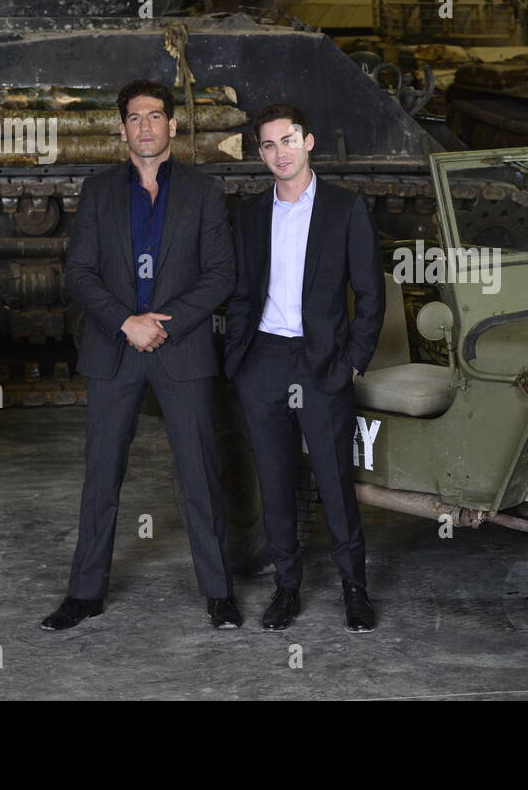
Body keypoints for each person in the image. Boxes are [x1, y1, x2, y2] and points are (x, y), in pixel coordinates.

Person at [41, 78, 240, 632]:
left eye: (155, 116)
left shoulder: (203, 191)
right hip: (114, 348)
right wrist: (126, 321)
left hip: (182, 349)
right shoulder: (100, 190)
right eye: (135, 117)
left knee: (198, 473)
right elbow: (79, 271)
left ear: (172, 126)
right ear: (123, 127)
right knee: (102, 475)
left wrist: (162, 322)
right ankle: (85, 594)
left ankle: (219, 593)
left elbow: (220, 273)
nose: (145, 126)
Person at [224, 103, 383, 632]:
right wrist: (238, 364)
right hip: (264, 360)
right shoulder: (249, 215)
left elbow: (369, 293)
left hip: (322, 363)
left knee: (336, 480)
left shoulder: (344, 208)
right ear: (260, 152)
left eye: (287, 141)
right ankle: (286, 588)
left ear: (308, 141)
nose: (279, 154)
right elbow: (242, 295)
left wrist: (354, 362)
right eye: (268, 145)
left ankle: (354, 590)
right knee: (274, 479)